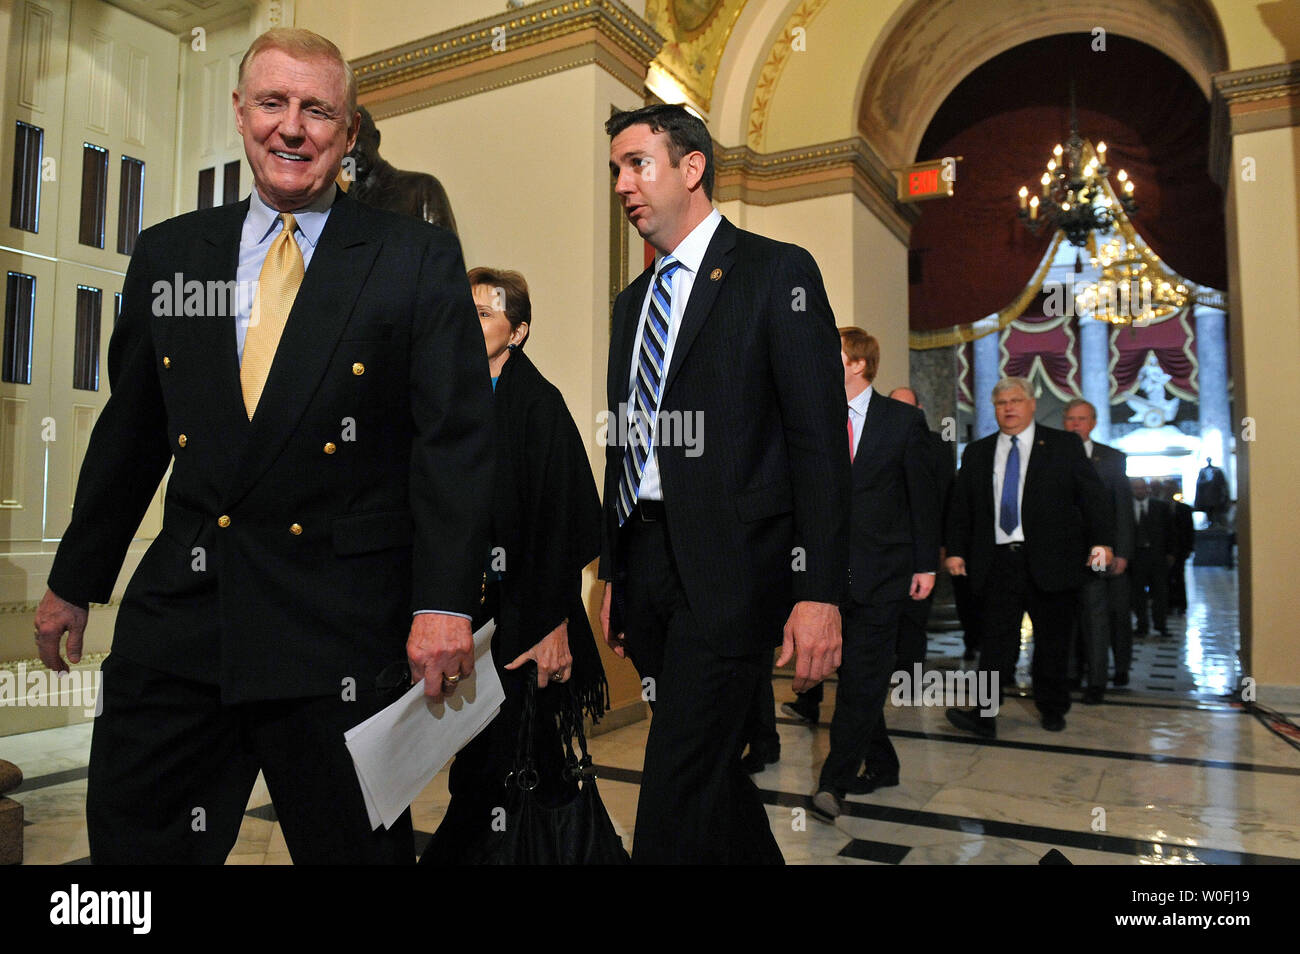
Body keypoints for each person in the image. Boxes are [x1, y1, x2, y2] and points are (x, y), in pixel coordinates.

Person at [31, 28, 493, 864]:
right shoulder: (175, 252)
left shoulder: (411, 258)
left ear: (348, 133)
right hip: (184, 625)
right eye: (273, 103)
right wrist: (75, 579)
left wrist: (445, 601)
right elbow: (131, 435)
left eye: (318, 110)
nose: (293, 127)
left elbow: (453, 444)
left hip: (341, 634)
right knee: (131, 857)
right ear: (240, 114)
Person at [599, 104, 849, 864]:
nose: (622, 184)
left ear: (692, 167)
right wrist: (613, 569)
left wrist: (820, 591)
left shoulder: (777, 273)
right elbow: (625, 446)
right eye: (615, 169)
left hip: (733, 574)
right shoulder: (630, 305)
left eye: (637, 163)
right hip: (646, 569)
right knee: (708, 772)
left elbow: (818, 444)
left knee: (675, 783)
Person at [422, 267, 607, 863]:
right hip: (467, 621)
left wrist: (553, 622)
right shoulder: (451, 400)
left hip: (528, 625)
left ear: (518, 331)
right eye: (464, 310)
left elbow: (569, 521)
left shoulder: (538, 404)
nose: (469, 322)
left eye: (485, 313)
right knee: (485, 768)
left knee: (507, 770)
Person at [808, 330, 938, 823]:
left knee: (860, 681)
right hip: (825, 578)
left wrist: (925, 563)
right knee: (858, 680)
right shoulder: (814, 418)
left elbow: (922, 500)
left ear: (858, 364)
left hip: (883, 575)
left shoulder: (903, 421)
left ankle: (832, 784)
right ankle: (882, 763)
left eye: (832, 353)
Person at [944, 377, 1112, 735]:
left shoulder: (1064, 445)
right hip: (997, 563)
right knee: (995, 645)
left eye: (1016, 400)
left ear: (1032, 404)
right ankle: (983, 715)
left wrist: (1103, 543)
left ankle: (1053, 708)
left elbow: (1094, 499)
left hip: (1053, 562)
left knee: (1053, 643)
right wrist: (956, 550)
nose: (1008, 407)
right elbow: (961, 509)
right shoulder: (978, 452)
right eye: (1001, 401)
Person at [1062, 398, 1135, 702]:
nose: (1075, 424)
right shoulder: (1051, 456)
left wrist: (1122, 552)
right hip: (1063, 553)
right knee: (1066, 617)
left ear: (1092, 423)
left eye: (1081, 419)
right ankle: (1068, 675)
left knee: (1096, 617)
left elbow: (1122, 509)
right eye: (1070, 419)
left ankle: (1096, 681)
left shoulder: (1112, 458)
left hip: (1099, 551)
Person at [344, 105, 458, 233]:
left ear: (375, 139)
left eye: (355, 142)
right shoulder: (340, 208)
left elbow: (443, 250)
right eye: (341, 147)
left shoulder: (420, 189)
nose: (349, 152)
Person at [1129, 478, 1176, 638]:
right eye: (1136, 488)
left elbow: (1170, 531)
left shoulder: (1160, 507)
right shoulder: (1126, 507)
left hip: (1157, 556)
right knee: (1138, 594)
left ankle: (1160, 625)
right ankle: (1141, 625)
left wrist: (1171, 553)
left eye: (1142, 488)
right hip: (1136, 557)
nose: (1139, 491)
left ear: (1147, 489)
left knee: (1160, 593)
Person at [1160, 479, 1195, 613]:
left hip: (1180, 548)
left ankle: (1181, 604)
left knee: (1179, 576)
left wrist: (1189, 548)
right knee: (1166, 578)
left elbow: (1189, 530)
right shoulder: (1161, 507)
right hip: (1164, 548)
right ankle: (1168, 604)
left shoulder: (1184, 509)